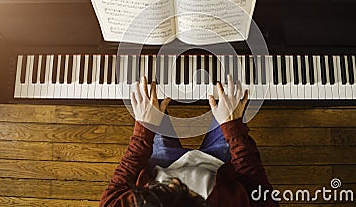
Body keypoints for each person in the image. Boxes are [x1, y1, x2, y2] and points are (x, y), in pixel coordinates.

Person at [100, 74, 279, 207]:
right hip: (220, 169)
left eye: (166, 189)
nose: (176, 182)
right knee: (233, 88)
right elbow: (256, 185)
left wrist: (144, 131)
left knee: (151, 101)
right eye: (188, 193)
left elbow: (116, 188)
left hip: (162, 165)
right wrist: (233, 128)